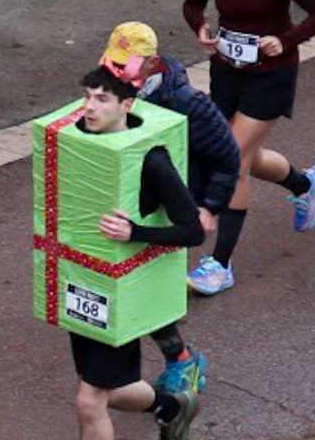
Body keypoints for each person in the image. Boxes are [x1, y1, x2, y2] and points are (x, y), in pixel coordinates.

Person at [43, 70, 205, 440]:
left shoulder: (150, 161)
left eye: (102, 99)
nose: (89, 107)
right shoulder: (80, 144)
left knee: (89, 400)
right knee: (110, 390)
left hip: (123, 290)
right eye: (86, 97)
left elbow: (192, 230)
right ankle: (173, 405)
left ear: (126, 106)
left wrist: (134, 232)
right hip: (84, 282)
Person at [180, 0, 315, 295]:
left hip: (271, 75)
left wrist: (285, 40)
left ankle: (220, 266)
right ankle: (304, 184)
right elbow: (192, 4)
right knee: (244, 153)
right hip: (228, 71)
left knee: (233, 158)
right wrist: (202, 29)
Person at [99, 21, 235, 394]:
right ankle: (175, 360)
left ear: (152, 64)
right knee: (131, 287)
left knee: (146, 289)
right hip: (131, 200)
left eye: (126, 65)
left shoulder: (186, 104)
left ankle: (182, 362)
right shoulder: (114, 89)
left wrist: (209, 207)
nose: (116, 72)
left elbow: (227, 156)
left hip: (170, 207)